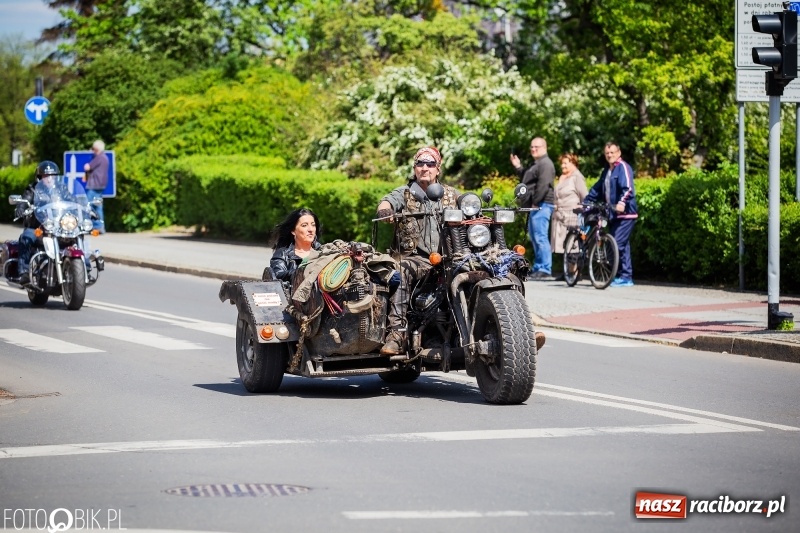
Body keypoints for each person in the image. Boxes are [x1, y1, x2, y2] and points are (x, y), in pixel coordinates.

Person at [375, 146, 459, 355]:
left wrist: (472, 205)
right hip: (415, 258)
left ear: (437, 169)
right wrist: (386, 210)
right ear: (414, 168)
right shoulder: (405, 193)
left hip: (450, 258)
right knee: (401, 271)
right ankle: (396, 334)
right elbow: (387, 201)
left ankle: (507, 327)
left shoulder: (450, 193)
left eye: (430, 164)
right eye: (420, 164)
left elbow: (469, 203)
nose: (425, 168)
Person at [585, 141, 638, 287]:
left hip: (625, 213)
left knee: (616, 243)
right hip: (613, 214)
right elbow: (597, 189)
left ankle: (623, 276)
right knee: (623, 245)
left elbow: (628, 188)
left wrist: (622, 202)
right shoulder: (607, 171)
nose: (610, 155)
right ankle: (625, 277)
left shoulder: (623, 168)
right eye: (607, 153)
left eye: (612, 152)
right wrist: (586, 202)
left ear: (619, 153)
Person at [511, 137, 556, 280]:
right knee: (535, 237)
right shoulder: (537, 163)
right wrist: (518, 167)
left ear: (544, 147)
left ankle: (545, 268)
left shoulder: (546, 164)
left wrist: (536, 202)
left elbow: (543, 185)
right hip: (534, 206)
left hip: (541, 205)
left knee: (540, 237)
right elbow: (527, 179)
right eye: (531, 147)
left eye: (536, 147)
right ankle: (539, 267)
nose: (533, 149)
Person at [16, 161, 61, 286]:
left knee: (75, 237)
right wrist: (21, 207)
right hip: (38, 228)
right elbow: (25, 199)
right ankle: (23, 271)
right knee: (26, 237)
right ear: (40, 177)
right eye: (46, 176)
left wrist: (86, 209)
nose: (49, 179)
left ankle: (85, 265)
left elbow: (72, 200)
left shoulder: (62, 189)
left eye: (52, 176)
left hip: (58, 228)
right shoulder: (33, 189)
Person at [551, 153, 588, 277]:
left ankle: (574, 272)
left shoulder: (577, 177)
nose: (563, 165)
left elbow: (585, 196)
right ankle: (567, 271)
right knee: (564, 244)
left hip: (572, 215)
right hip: (560, 216)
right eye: (562, 163)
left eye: (566, 163)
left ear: (574, 163)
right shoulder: (563, 177)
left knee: (573, 245)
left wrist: (582, 210)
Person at [268, 208, 322, 283]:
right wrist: (301, 272)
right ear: (293, 231)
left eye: (313, 225)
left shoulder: (324, 252)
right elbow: (277, 275)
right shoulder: (283, 254)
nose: (310, 229)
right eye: (304, 225)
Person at [83, 140, 109, 233]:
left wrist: (86, 165)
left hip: (95, 185)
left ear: (97, 149)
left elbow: (88, 167)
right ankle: (100, 227)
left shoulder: (99, 157)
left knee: (87, 205)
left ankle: (86, 226)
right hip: (101, 185)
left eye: (93, 149)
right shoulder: (105, 158)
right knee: (98, 206)